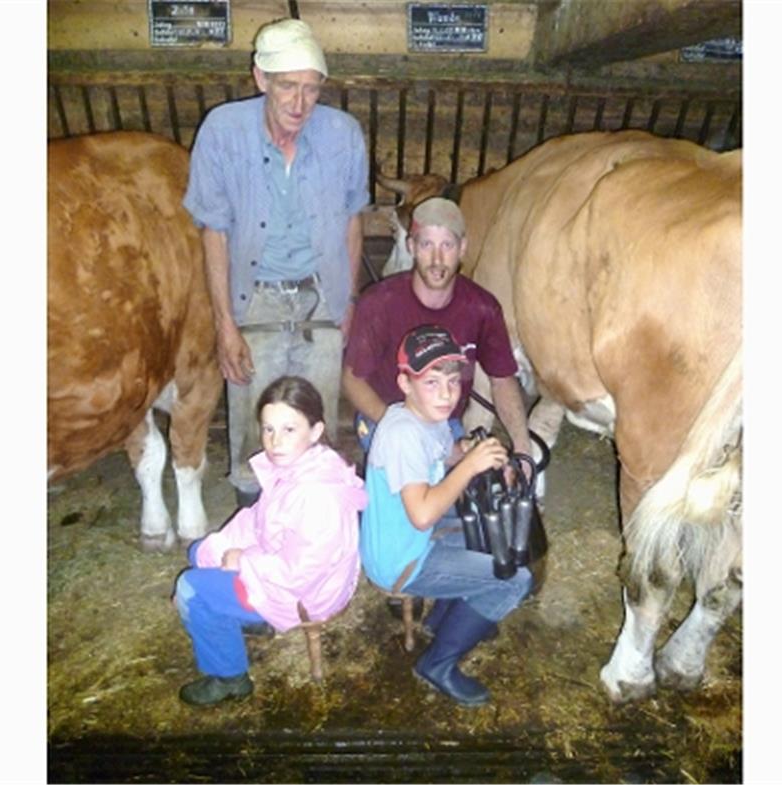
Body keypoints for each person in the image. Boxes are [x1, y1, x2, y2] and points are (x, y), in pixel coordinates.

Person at [185, 18, 369, 507]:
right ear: (260, 78)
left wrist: (348, 301)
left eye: (311, 89)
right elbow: (214, 230)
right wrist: (226, 324)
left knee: (313, 421)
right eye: (287, 86)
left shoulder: (343, 134)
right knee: (256, 426)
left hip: (321, 295)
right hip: (256, 296)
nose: (299, 103)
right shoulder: (223, 132)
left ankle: (312, 525)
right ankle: (255, 518)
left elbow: (353, 219)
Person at [360, 325, 532, 707]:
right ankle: (437, 665)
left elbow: (443, 452)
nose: (446, 393)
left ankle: (446, 619)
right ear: (405, 383)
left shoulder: (425, 415)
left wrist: (468, 450)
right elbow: (422, 515)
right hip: (402, 560)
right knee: (514, 580)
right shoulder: (402, 434)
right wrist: (470, 466)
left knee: (488, 528)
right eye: (432, 382)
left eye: (453, 382)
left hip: (408, 537)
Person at [172, 376, 366, 706]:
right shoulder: (299, 467)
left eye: (289, 429)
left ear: (315, 431)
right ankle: (248, 621)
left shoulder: (316, 495)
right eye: (268, 429)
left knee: (192, 589)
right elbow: (257, 520)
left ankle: (229, 678)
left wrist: (243, 561)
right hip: (287, 567)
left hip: (308, 594)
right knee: (198, 552)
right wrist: (217, 548)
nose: (275, 442)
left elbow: (301, 572)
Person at [342, 197, 531, 459]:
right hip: (384, 415)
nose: (437, 259)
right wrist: (401, 428)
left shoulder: (482, 308)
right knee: (415, 468)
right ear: (411, 247)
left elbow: (502, 380)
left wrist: (523, 449)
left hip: (443, 421)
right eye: (427, 244)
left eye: (447, 245)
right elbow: (353, 380)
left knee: (478, 475)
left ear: (462, 248)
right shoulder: (379, 303)